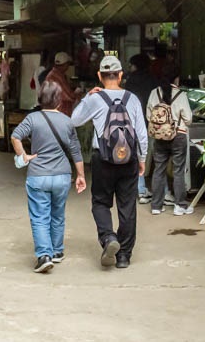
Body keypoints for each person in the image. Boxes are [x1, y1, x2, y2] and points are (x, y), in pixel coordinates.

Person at [71, 56, 148, 270]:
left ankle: (108, 237)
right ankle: (123, 255)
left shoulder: (95, 99)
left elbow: (74, 120)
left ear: (99, 76)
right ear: (121, 75)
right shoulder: (132, 99)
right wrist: (142, 159)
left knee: (101, 202)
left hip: (102, 159)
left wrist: (87, 96)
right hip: (129, 159)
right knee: (127, 206)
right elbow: (142, 134)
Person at [11, 81, 87, 273]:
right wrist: (81, 175)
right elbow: (76, 151)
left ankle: (44, 255)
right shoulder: (67, 121)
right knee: (58, 214)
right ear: (59, 101)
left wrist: (24, 157)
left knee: (39, 217)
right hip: (62, 176)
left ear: (39, 99)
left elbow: (15, 136)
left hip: (39, 175)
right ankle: (57, 251)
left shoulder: (32, 118)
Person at [146, 79, 194, 216]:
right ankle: (180, 205)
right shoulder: (181, 94)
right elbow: (189, 119)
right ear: (176, 79)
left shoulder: (154, 93)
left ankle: (156, 206)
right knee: (178, 170)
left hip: (159, 136)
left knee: (158, 170)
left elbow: (149, 115)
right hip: (178, 136)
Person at [124, 53, 161, 203]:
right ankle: (160, 191)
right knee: (154, 157)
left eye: (131, 64)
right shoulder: (153, 79)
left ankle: (140, 189)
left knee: (137, 155)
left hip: (134, 121)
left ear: (135, 65)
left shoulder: (131, 80)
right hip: (150, 121)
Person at [44, 52, 78, 116]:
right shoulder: (57, 77)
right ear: (64, 64)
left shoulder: (54, 74)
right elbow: (69, 96)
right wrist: (77, 92)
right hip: (59, 113)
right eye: (68, 64)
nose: (68, 66)